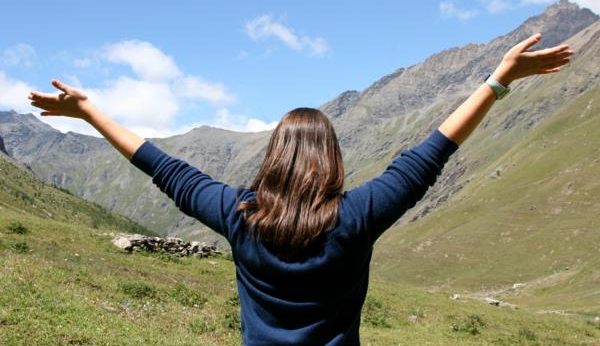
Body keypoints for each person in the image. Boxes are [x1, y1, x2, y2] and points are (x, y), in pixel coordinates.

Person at [29, 34, 572, 345]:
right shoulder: (358, 215)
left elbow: (163, 168)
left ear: (275, 156)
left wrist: (90, 112)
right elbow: (430, 154)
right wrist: (499, 79)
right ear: (331, 160)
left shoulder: (236, 213)